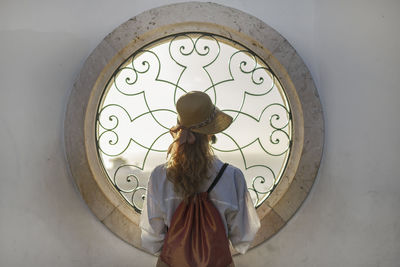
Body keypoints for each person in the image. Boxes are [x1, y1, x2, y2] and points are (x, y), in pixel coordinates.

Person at [140, 91, 260, 266]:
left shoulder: (159, 176)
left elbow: (152, 239)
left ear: (179, 129)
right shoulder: (232, 176)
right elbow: (243, 237)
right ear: (211, 134)